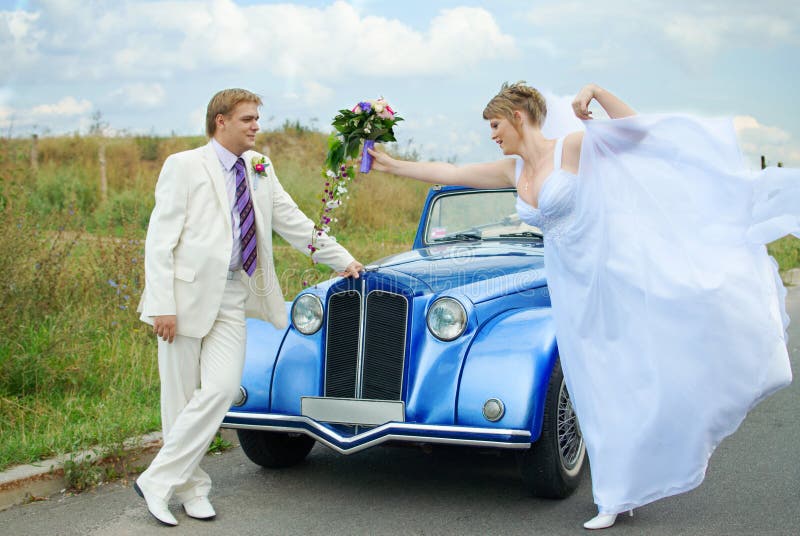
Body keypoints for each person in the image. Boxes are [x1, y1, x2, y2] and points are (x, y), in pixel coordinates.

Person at [367, 82, 795, 530]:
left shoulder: (570, 148)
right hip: (568, 291)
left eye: (495, 125)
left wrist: (597, 93)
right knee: (592, 387)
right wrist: (393, 165)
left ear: (517, 117)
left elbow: (638, 134)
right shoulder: (513, 171)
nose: (492, 135)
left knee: (631, 375)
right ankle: (617, 492)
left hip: (607, 277)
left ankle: (630, 481)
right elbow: (450, 172)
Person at [134, 88, 363, 526]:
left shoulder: (260, 168)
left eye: (257, 118)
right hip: (182, 299)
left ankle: (156, 481)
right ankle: (192, 488)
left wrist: (342, 258)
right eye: (247, 119)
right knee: (179, 400)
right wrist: (162, 303)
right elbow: (159, 240)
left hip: (234, 294)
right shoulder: (183, 166)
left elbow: (293, 222)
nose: (256, 125)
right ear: (220, 121)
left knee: (220, 391)